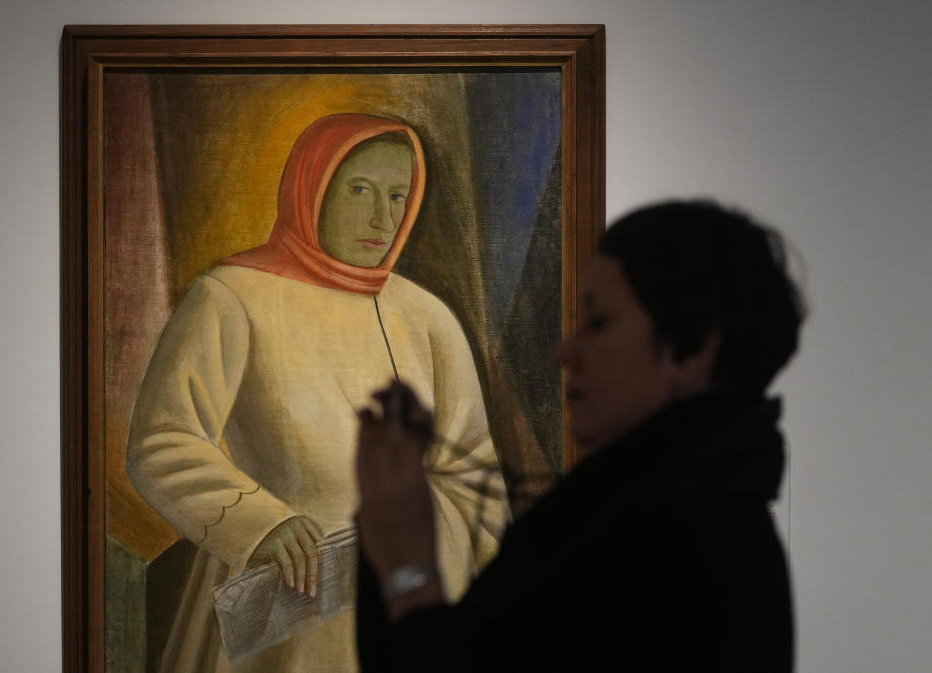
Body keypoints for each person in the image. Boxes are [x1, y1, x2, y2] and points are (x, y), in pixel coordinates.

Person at [127, 113, 509, 673]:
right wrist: (262, 522)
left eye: (398, 196)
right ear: (311, 188)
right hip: (291, 590)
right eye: (360, 190)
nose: (383, 217)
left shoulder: (427, 316)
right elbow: (163, 439)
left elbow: (473, 463)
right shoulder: (231, 297)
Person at [355, 200, 804, 672]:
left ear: (691, 349)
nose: (565, 353)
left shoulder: (690, 551)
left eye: (599, 323)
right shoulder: (643, 513)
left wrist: (411, 577)